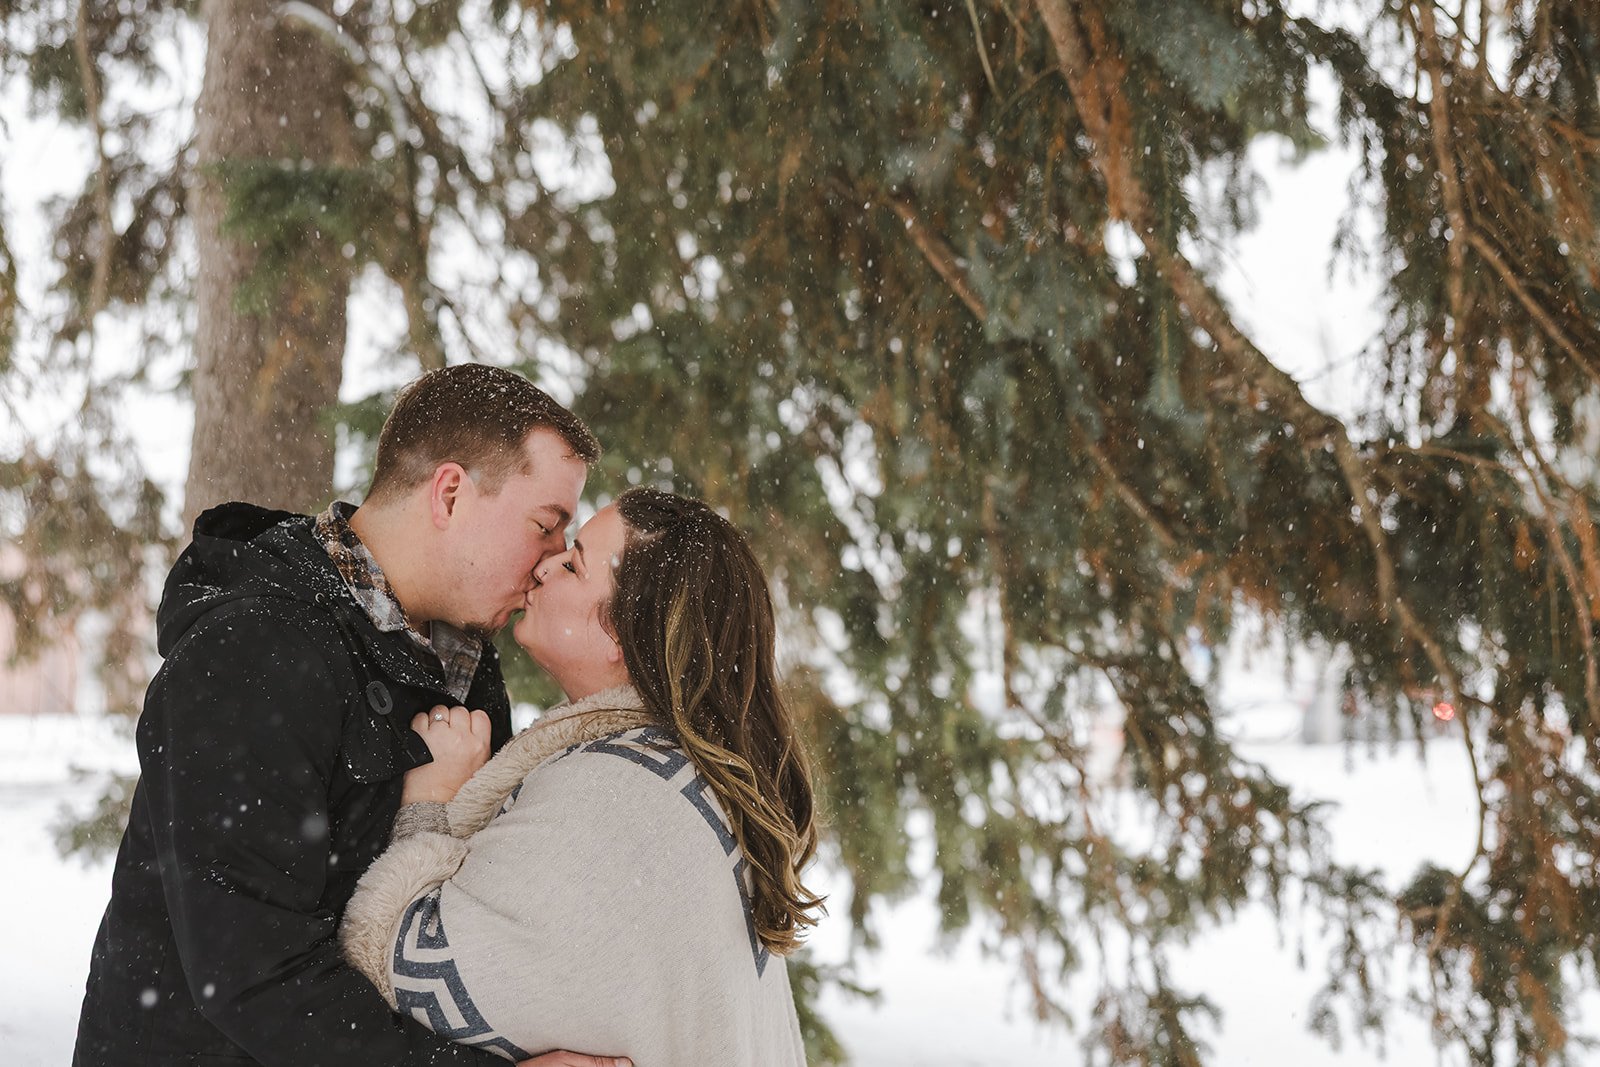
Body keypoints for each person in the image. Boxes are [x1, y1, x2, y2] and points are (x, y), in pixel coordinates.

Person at [73, 364, 629, 1067]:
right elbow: (252, 972)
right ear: (450, 492)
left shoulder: (466, 671)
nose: (553, 561)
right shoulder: (251, 650)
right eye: (547, 525)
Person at [339, 487, 827, 1065]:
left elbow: (395, 966)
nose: (543, 566)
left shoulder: (618, 799)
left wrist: (431, 804)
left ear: (626, 631)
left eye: (573, 565)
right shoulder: (677, 780)